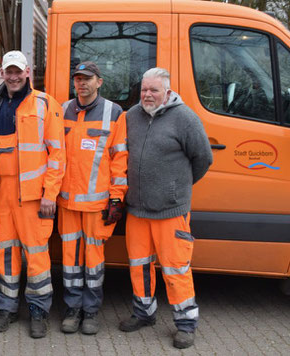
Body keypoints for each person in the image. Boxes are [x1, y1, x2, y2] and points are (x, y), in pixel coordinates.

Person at [120, 67, 213, 349]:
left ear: (167, 92)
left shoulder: (185, 118)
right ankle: (144, 313)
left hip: (170, 211)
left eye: (154, 90)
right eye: (144, 90)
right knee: (139, 266)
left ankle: (185, 324)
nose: (147, 95)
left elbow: (203, 159)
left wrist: (177, 188)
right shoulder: (131, 117)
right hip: (136, 209)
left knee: (175, 269)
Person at [0, 50, 65, 339]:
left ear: (28, 72)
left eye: (18, 71)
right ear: (2, 73)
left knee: (36, 255)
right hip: (2, 195)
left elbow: (58, 153)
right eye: (9, 71)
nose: (14, 76)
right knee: (5, 253)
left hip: (34, 197)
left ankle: (38, 311)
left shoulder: (45, 104)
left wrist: (50, 194)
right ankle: (6, 308)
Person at [58, 62, 128, 335]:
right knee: (70, 262)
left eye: (87, 79)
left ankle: (90, 312)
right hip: (66, 205)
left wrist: (116, 199)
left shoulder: (114, 113)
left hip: (96, 206)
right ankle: (72, 310)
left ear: (99, 82)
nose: (81, 83)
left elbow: (120, 159)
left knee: (94, 263)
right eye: (77, 78)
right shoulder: (62, 110)